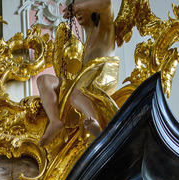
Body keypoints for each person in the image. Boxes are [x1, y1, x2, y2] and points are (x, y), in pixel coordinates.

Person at [37, 0, 118, 146]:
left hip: (101, 75)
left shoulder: (105, 29)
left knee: (75, 94)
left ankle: (98, 130)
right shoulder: (87, 37)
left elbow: (107, 4)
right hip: (84, 80)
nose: (78, 12)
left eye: (83, 4)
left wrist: (77, 6)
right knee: (44, 80)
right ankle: (55, 121)